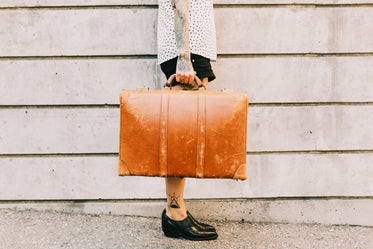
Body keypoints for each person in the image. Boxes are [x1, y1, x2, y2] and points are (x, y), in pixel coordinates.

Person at [157, 0, 218, 241]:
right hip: (186, 53)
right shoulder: (184, 57)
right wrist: (184, 57)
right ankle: (174, 213)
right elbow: (180, 5)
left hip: (190, 50)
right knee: (181, 136)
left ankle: (177, 209)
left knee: (185, 134)